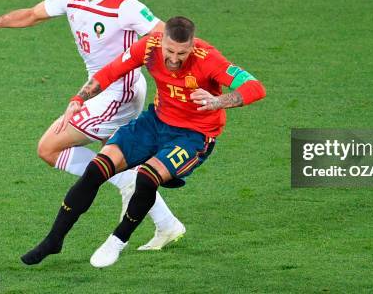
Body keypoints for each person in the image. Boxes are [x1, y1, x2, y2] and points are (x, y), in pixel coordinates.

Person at [0, 0, 185, 250]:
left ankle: (127, 182)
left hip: (119, 92)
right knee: (116, 155)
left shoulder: (125, 6)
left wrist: (170, 75)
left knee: (49, 147)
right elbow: (32, 14)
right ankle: (167, 224)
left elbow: (164, 34)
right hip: (99, 88)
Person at [21, 16, 266, 267]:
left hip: (194, 135)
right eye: (170, 50)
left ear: (192, 46)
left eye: (182, 52)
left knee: (147, 177)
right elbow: (111, 71)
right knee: (96, 169)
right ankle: (54, 240)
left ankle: (117, 240)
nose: (174, 58)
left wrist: (218, 101)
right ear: (162, 42)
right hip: (156, 122)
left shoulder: (209, 58)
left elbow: (255, 87)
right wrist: (78, 99)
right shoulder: (149, 46)